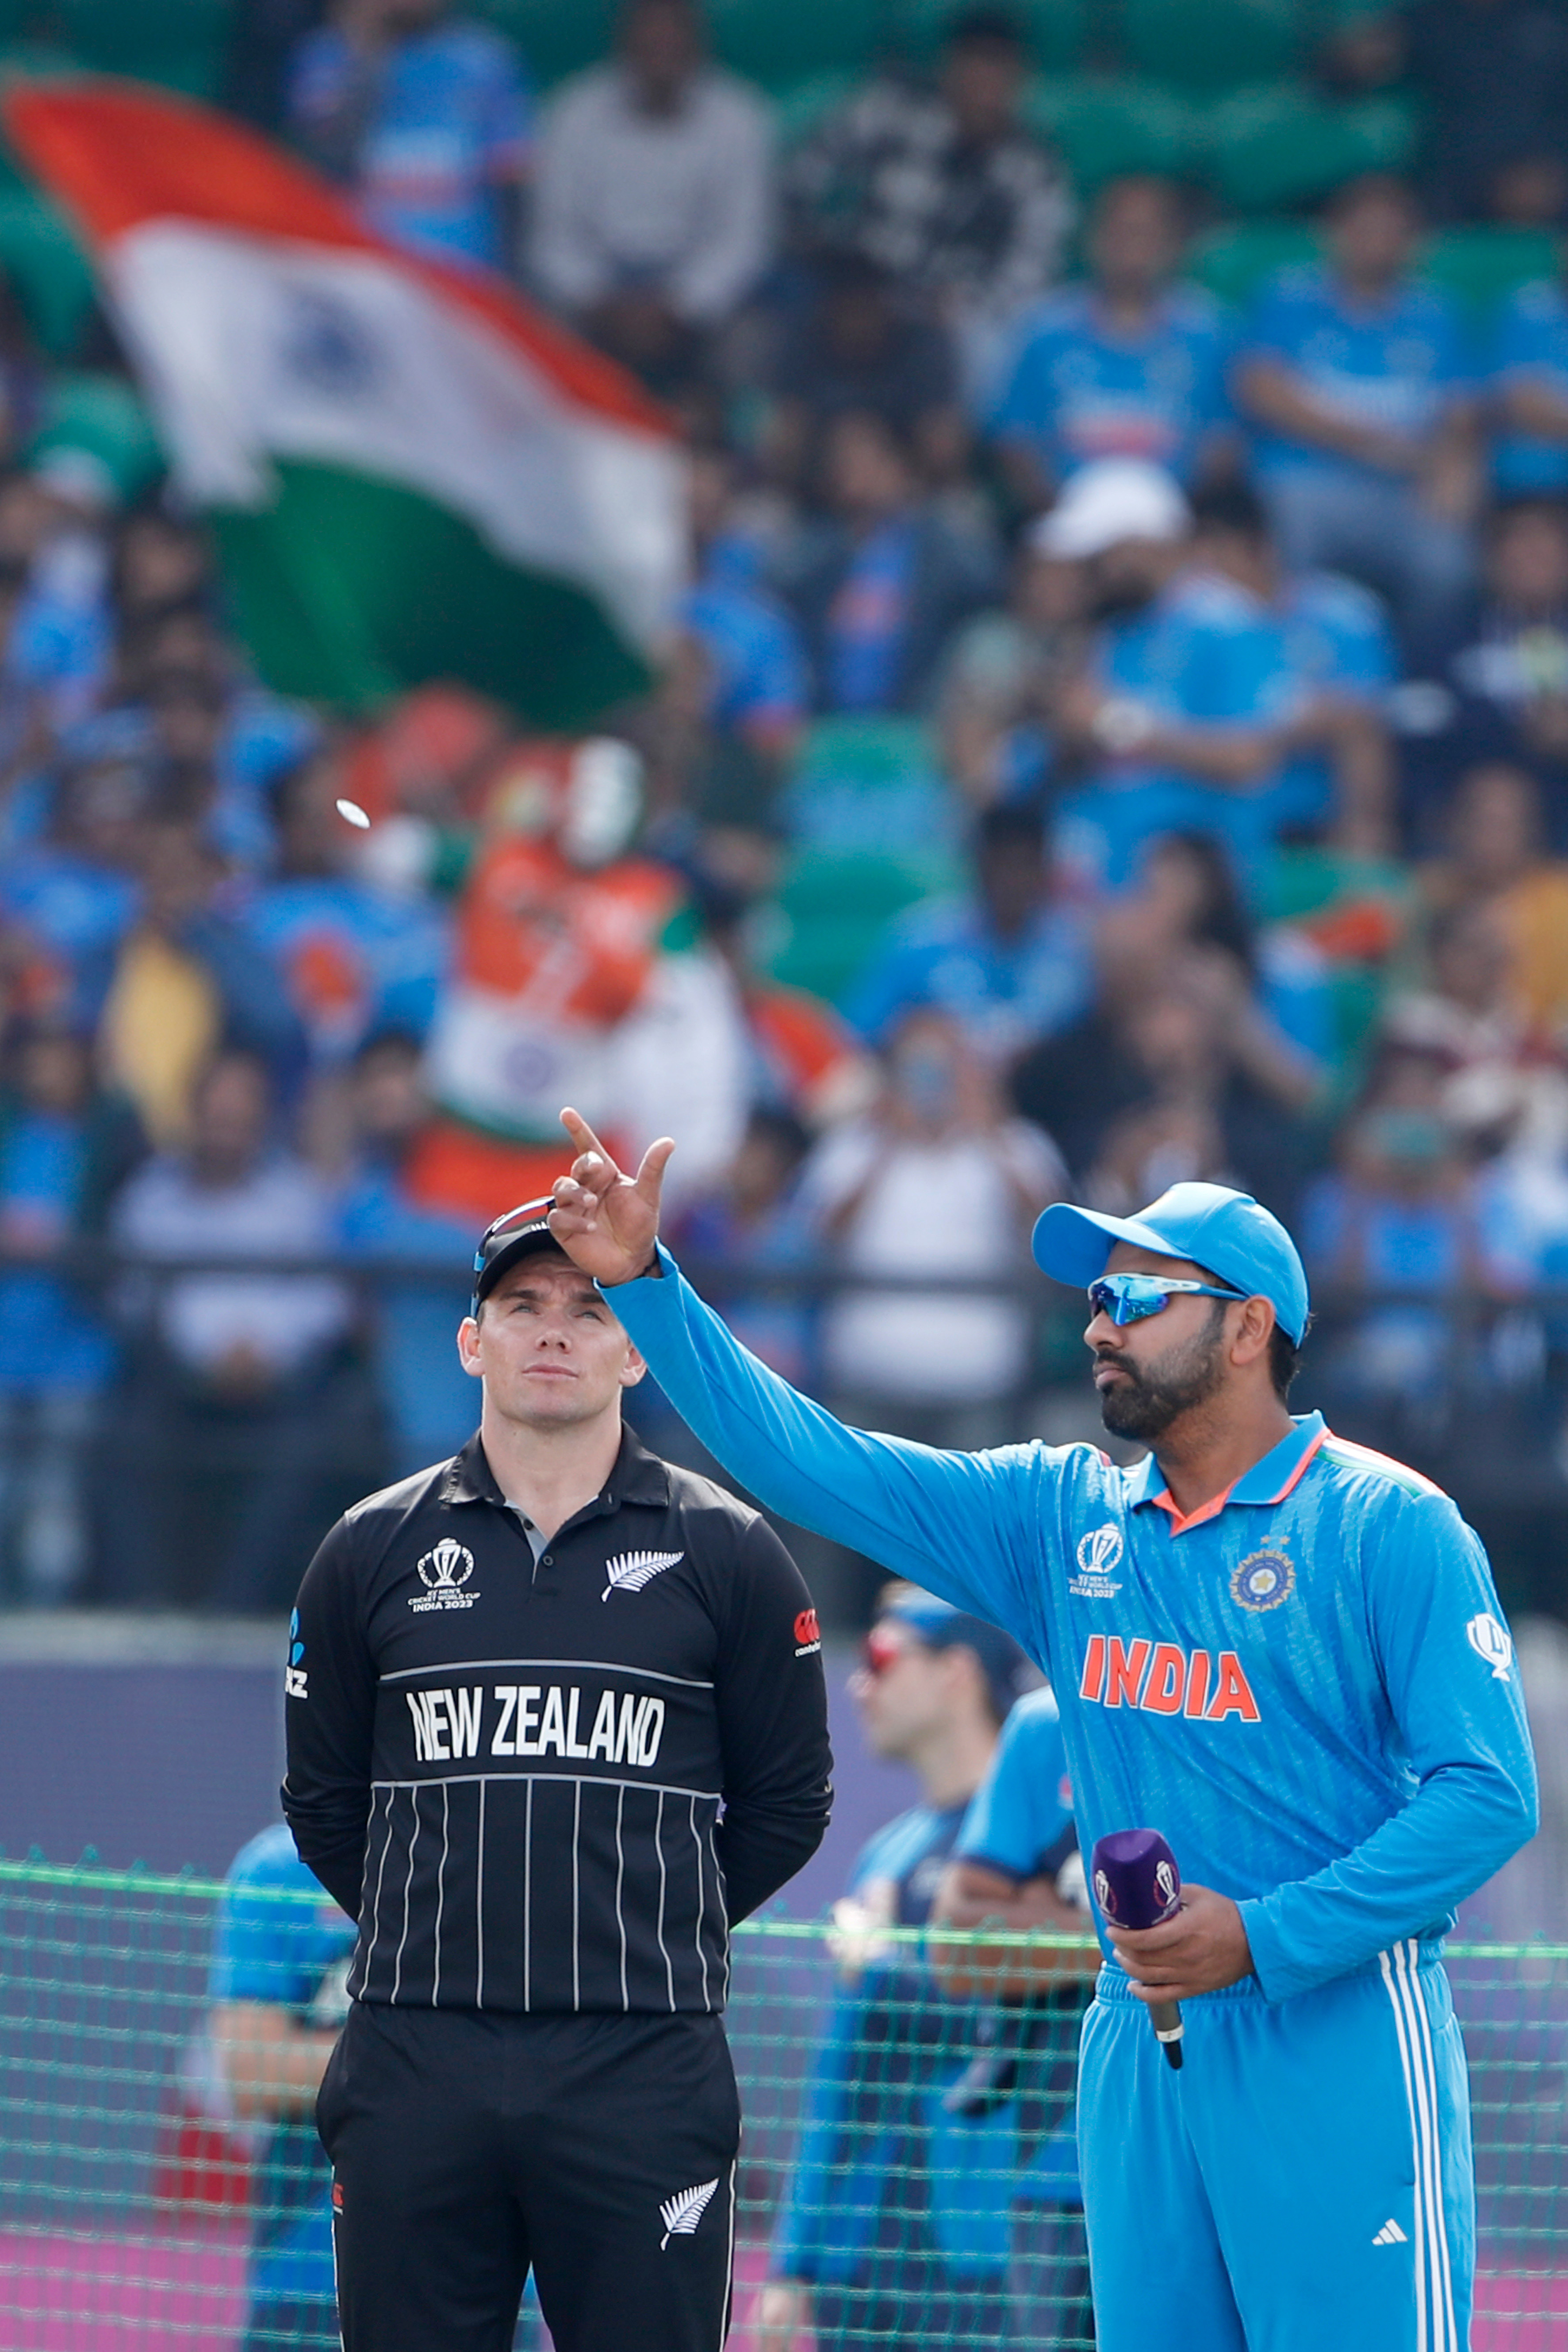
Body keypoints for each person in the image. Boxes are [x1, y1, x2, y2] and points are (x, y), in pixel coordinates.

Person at [547, 1117, 1538, 2352]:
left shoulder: (1389, 1522)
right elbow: (807, 1459)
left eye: (1134, 1293)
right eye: (1091, 1296)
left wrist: (1265, 1935)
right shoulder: (1059, 1514)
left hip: (1333, 2034)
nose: (1097, 1322)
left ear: (1248, 1327)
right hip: (1139, 2043)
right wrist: (646, 1285)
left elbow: (1488, 1792)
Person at [282, 1199, 833, 2352]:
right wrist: (451, 1924)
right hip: (414, 2055)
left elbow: (788, 1805)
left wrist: (640, 1919)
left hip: (643, 2057)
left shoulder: (730, 1551)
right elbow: (324, 1803)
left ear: (637, 1347)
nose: (554, 1333)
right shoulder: (365, 1549)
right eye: (523, 1306)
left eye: (590, 1310)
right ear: (471, 1338)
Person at [754, 1585, 1035, 2352]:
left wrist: (884, 1964)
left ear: (956, 1672)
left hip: (982, 2251)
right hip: (866, 2261)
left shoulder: (1031, 1841)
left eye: (881, 1658)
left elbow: (1033, 2031)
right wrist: (796, 2260)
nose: (857, 1682)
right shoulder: (889, 1851)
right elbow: (841, 2076)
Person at [1235, 175, 1479, 649]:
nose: (1376, 244)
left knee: (1448, 563)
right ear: (1333, 235)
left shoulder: (1436, 313)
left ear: (1413, 243)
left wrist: (1456, 469)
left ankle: (1415, 676)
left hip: (1405, 490)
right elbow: (1261, 390)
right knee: (1286, 538)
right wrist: (1374, 443)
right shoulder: (1286, 299)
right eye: (1363, 229)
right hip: (1304, 482)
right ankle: (1292, 667)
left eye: (1391, 231)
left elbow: (1461, 414)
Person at [784, 5, 1073, 402]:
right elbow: (802, 175)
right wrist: (829, 259)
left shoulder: (1036, 167)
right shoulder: (889, 109)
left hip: (946, 314)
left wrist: (963, 303)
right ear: (949, 67)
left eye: (999, 68)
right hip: (851, 286)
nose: (984, 81)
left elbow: (1030, 276)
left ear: (1020, 78)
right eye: (973, 64)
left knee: (992, 351)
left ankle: (951, 457)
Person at [930, 1684, 1100, 2352]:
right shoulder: (1048, 1722)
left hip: (1241, 2146)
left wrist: (1058, 1913)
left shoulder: (1275, 1701)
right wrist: (1144, 1937)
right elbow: (959, 1943)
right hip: (1064, 2167)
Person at [530, 0, 773, 392]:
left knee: (751, 338)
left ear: (699, 44)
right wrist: (600, 302)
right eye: (649, 41)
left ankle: (722, 446)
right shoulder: (573, 112)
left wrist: (681, 307)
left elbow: (742, 242)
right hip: (600, 289)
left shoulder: (739, 117)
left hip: (693, 293)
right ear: (622, 45)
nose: (662, 50)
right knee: (542, 326)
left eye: (674, 39)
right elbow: (553, 237)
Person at [989, 175, 1234, 511]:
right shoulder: (1043, 331)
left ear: (1173, 244)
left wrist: (1181, 513)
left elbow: (1223, 442)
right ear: (1093, 239)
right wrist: (1062, 510)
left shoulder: (1209, 333)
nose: (1132, 248)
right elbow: (1015, 440)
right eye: (1121, 232)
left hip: (1175, 522)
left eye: (1146, 233)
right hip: (1068, 521)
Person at [208, 1821, 358, 2352]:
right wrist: (420, 2058)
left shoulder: (489, 1864)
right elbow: (251, 2069)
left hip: (476, 2277)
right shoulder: (278, 1869)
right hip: (309, 2283)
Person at [287, 0, 531, 271]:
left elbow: (510, 178)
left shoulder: (484, 58)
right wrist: (365, 50)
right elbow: (320, 161)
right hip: (360, 266)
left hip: (462, 268)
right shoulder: (326, 55)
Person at [845, 804, 1094, 1066]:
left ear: (1045, 870)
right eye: (1001, 865)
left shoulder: (1078, 952)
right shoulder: (919, 941)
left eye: (1024, 865)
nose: (1012, 880)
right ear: (978, 865)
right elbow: (858, 1038)